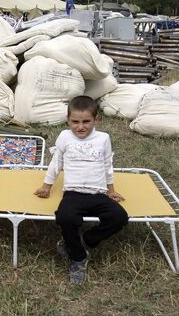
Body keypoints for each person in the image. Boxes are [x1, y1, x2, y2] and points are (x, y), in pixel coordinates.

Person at [34, 95, 128, 285]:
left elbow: (107, 164)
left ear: (96, 120)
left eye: (86, 121)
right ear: (68, 120)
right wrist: (46, 186)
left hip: (98, 194)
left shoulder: (103, 139)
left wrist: (111, 190)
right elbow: (56, 163)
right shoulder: (64, 137)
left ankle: (84, 241)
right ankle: (78, 258)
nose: (80, 126)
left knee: (119, 217)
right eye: (75, 122)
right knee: (65, 217)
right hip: (73, 193)